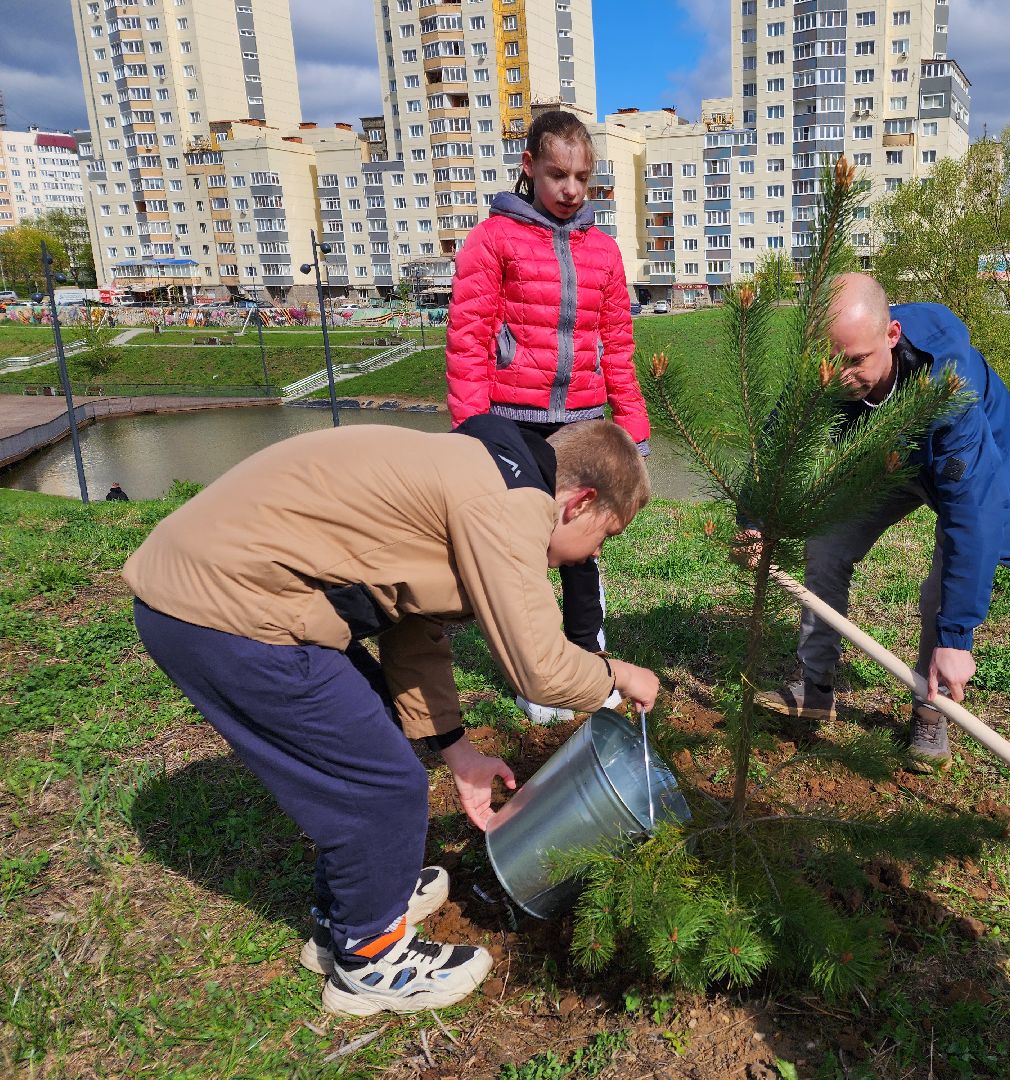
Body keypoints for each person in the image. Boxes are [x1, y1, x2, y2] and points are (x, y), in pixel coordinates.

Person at [124, 417, 659, 1016]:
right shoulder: (511, 504)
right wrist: (617, 677)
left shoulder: (480, 469)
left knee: (376, 738)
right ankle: (369, 960)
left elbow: (413, 623)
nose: (594, 555)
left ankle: (348, 912)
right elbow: (538, 667)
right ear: (578, 503)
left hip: (213, 587)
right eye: (605, 536)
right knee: (380, 782)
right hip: (225, 608)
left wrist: (456, 749)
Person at [749, 274, 1010, 766]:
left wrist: (957, 637)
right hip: (890, 458)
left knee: (941, 593)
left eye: (857, 361)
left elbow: (973, 511)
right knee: (826, 545)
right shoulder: (835, 364)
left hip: (976, 466)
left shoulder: (950, 385)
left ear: (892, 335)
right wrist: (754, 518)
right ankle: (815, 685)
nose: (842, 376)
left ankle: (930, 715)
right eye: (831, 361)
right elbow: (780, 439)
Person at [447, 109, 650, 726]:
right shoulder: (492, 241)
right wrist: (472, 427)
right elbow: (468, 338)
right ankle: (533, 671)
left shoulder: (604, 252)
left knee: (583, 547)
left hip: (583, 421)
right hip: (513, 420)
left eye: (583, 178)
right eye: (557, 174)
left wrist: (632, 425)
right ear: (529, 166)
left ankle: (589, 656)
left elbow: (617, 342)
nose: (570, 189)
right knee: (523, 550)